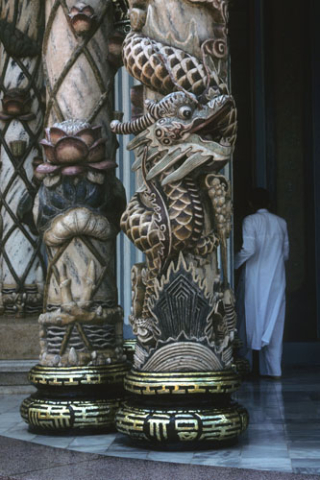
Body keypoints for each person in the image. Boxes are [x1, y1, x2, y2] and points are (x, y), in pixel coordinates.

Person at [235, 188, 289, 379]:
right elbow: (285, 254)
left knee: (250, 318)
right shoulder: (281, 222)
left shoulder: (249, 221)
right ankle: (274, 370)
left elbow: (249, 249)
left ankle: (246, 366)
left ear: (250, 203)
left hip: (256, 277)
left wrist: (233, 264)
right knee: (275, 320)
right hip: (276, 277)